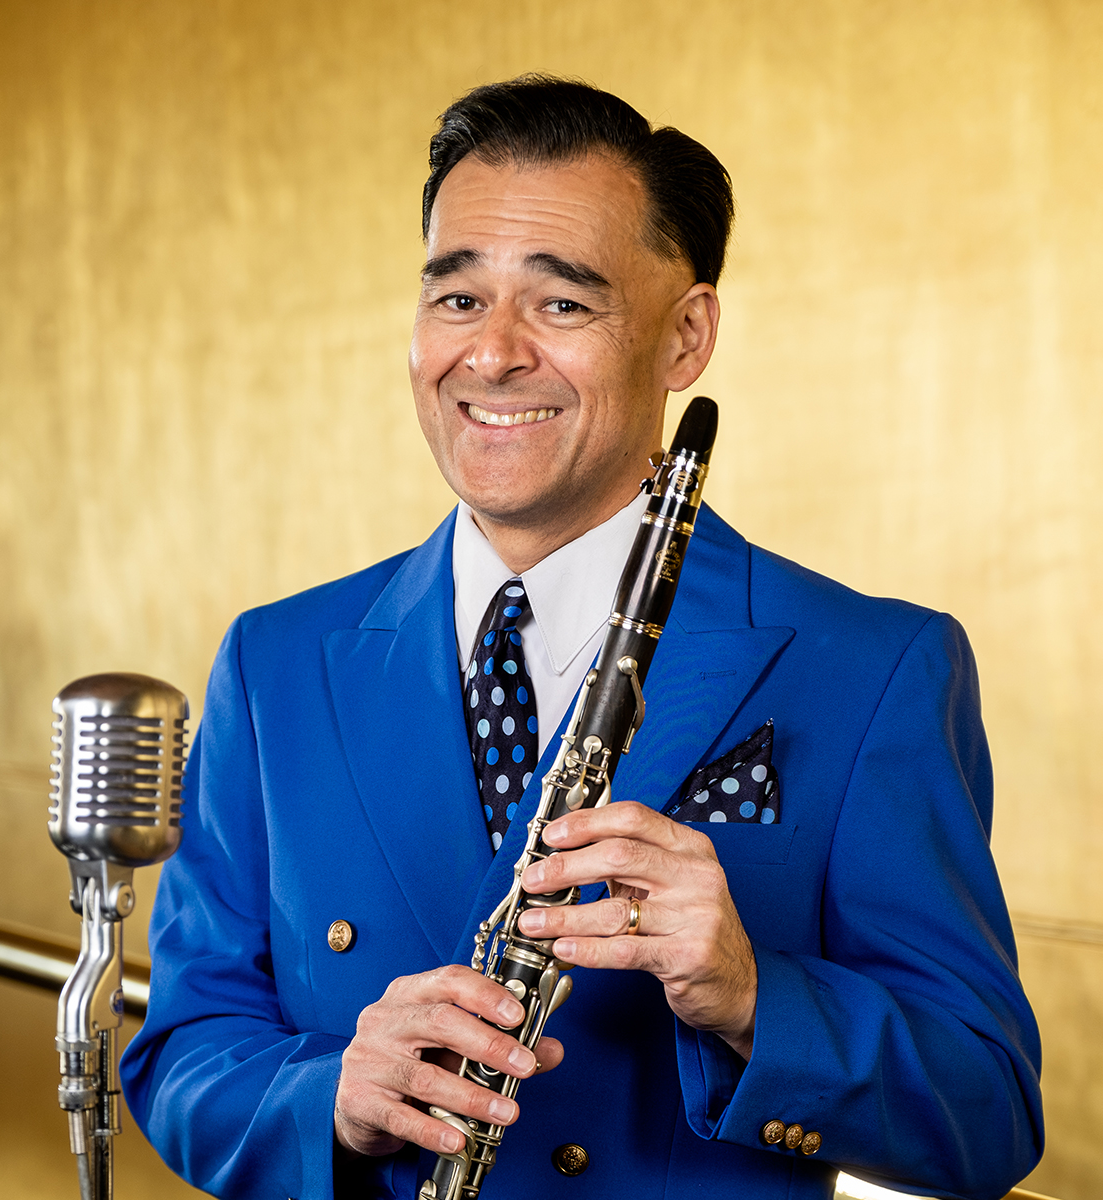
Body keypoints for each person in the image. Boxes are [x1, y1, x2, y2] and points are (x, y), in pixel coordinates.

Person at [120, 76, 1043, 1200]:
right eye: (458, 298)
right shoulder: (276, 663)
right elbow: (185, 1052)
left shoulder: (875, 667)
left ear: (685, 336)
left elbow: (986, 1115)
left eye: (561, 304)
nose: (492, 354)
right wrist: (331, 1098)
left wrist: (754, 994)